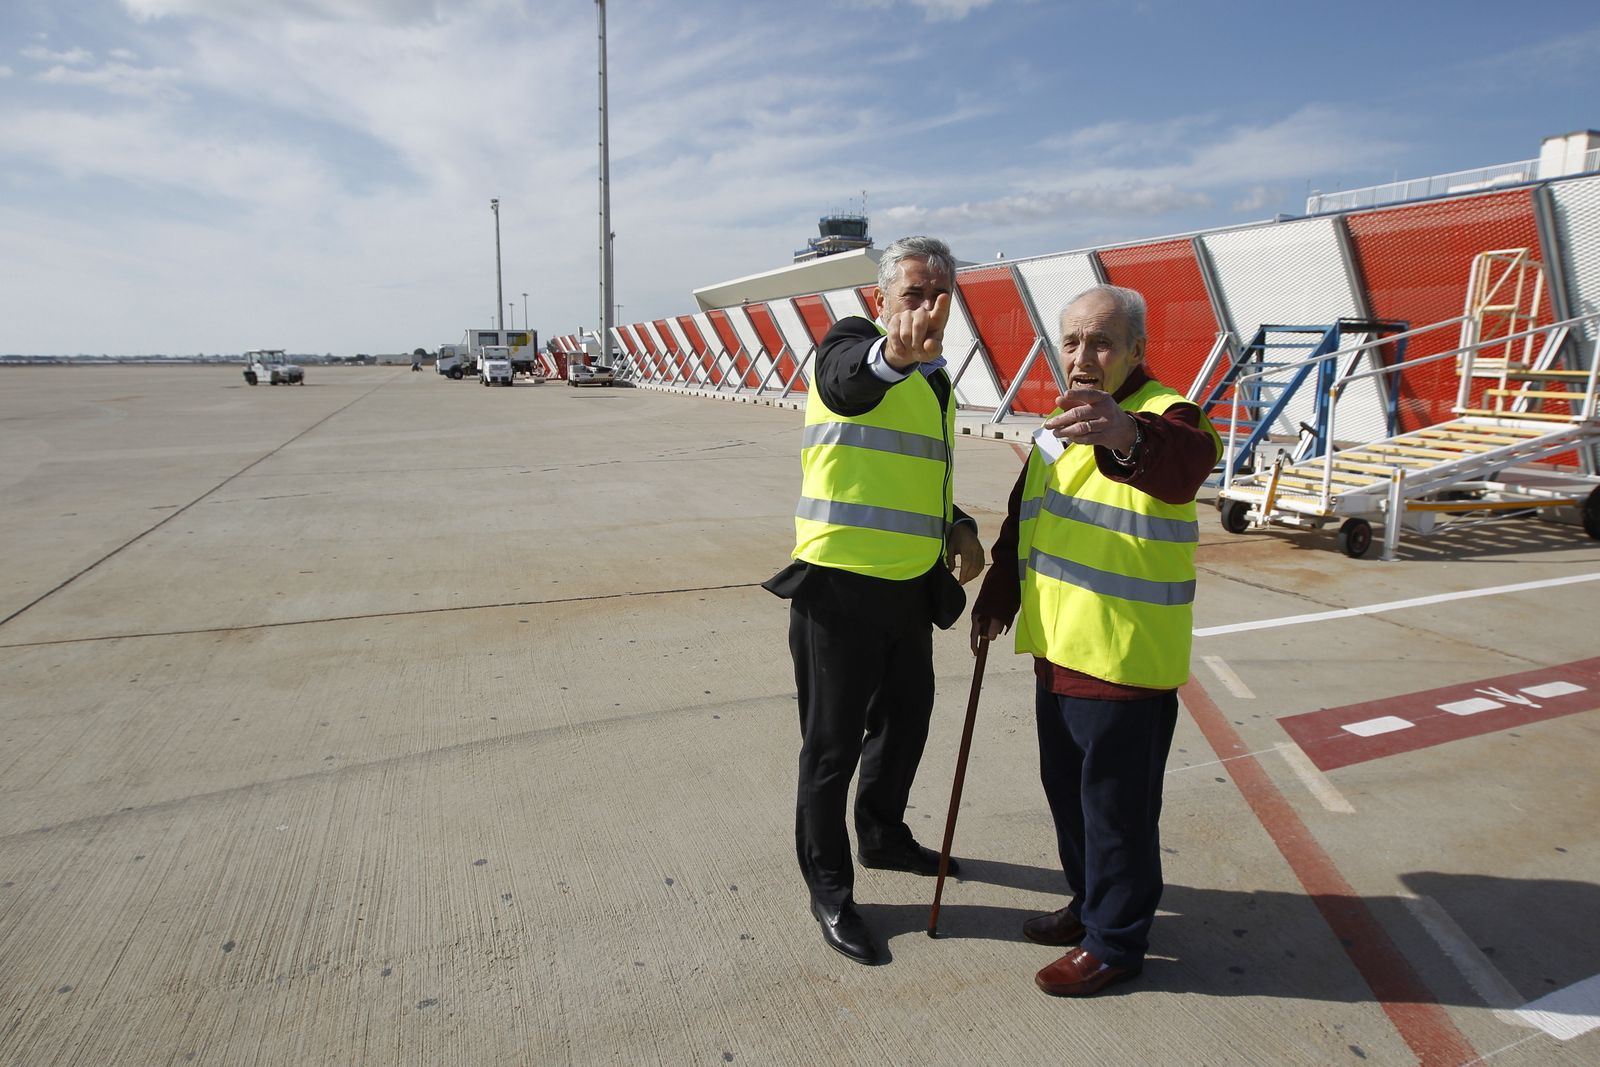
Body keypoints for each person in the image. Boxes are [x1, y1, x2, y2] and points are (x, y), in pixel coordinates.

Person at [970, 284, 1220, 996]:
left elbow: (1184, 464)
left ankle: (1115, 942)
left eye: (1103, 342)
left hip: (1123, 659)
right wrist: (999, 592)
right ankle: (1089, 905)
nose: (1084, 356)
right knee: (1069, 796)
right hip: (1058, 650)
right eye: (1073, 341)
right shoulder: (1056, 427)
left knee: (1116, 812)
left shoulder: (1169, 415)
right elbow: (1025, 515)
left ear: (1137, 350)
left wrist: (1125, 436)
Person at [764, 235, 985, 966]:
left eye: (940, 296)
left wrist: (956, 523)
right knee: (830, 748)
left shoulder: (937, 380)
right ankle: (829, 888)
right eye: (913, 293)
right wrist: (895, 354)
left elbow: (918, 473)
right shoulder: (852, 345)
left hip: (909, 585)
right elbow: (849, 384)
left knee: (905, 723)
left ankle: (884, 834)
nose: (927, 308)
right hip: (839, 587)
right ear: (880, 300)